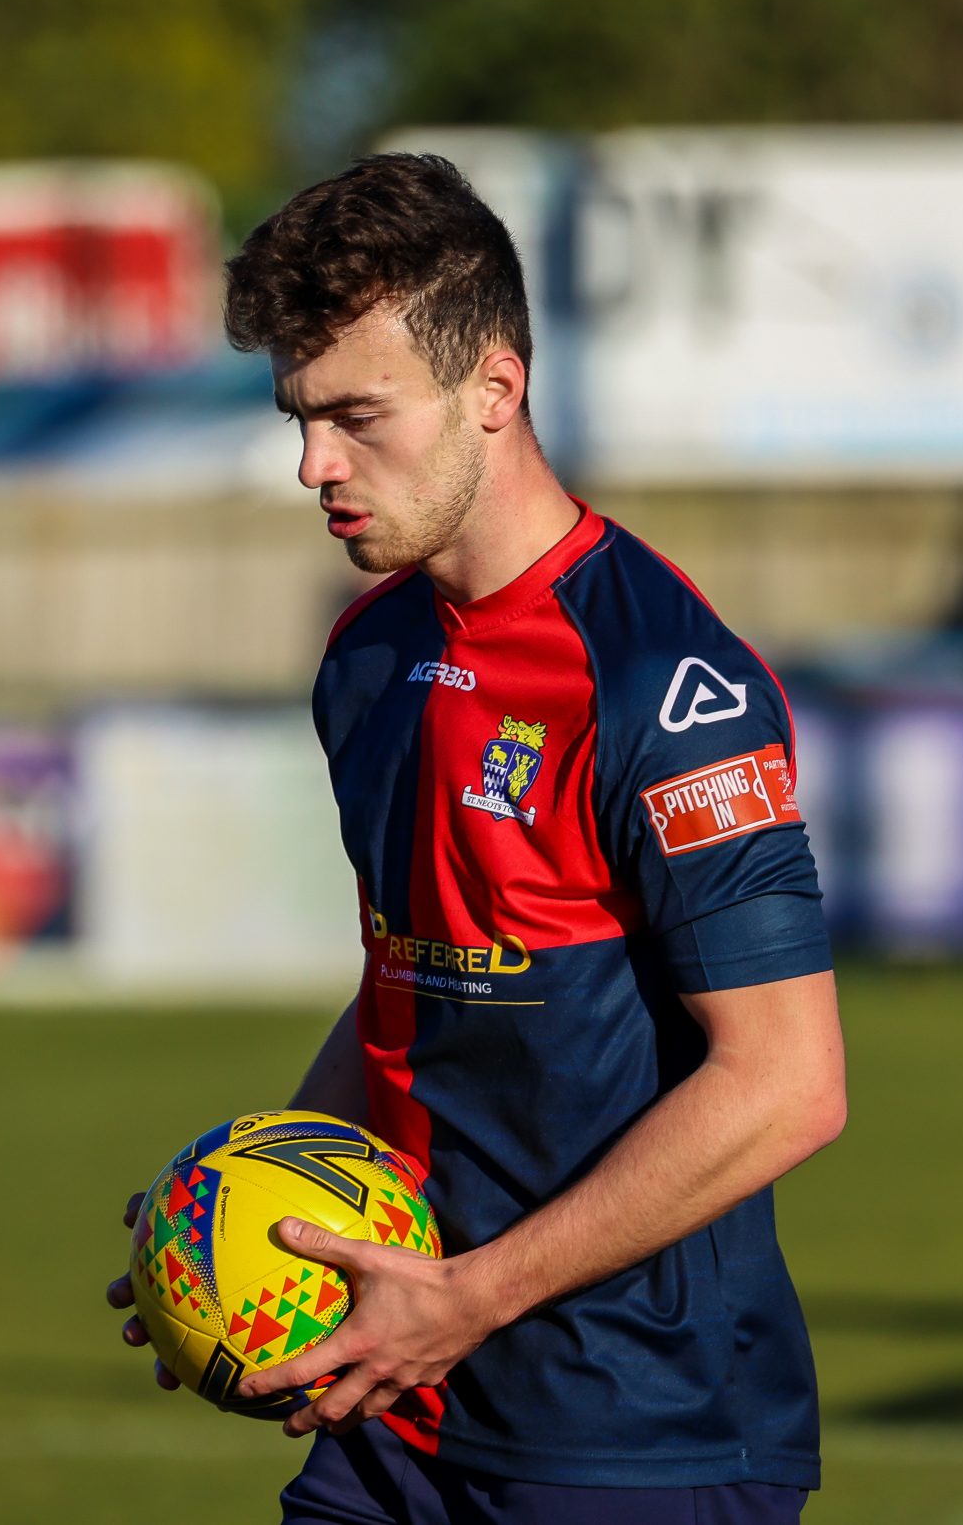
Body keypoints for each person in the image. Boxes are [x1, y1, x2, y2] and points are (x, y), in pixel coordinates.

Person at [106, 153, 847, 1523]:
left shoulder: (663, 685)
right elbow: (415, 977)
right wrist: (235, 1225)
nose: (314, 465)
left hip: (636, 1427)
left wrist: (473, 1295)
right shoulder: (368, 656)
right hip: (402, 1409)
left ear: (493, 390)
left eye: (356, 416)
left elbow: (788, 1082)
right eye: (300, 417)